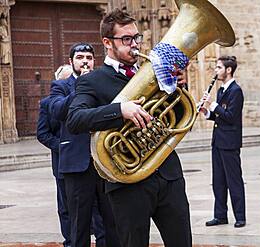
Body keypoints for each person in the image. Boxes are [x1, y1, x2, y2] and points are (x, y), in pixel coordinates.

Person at [66, 9, 192, 247]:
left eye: (137, 38)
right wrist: (119, 111)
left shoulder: (154, 71)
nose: (134, 45)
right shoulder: (91, 80)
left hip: (168, 175)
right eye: (126, 39)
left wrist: (176, 89)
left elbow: (177, 117)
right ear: (107, 42)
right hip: (127, 183)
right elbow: (75, 119)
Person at [49, 42, 119, 247]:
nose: (85, 61)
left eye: (89, 58)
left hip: (105, 161)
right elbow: (57, 111)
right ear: (71, 62)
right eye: (80, 58)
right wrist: (81, 88)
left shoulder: (101, 82)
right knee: (79, 224)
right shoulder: (60, 86)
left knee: (110, 222)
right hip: (77, 165)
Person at [198, 56, 246, 228]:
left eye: (219, 67)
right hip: (218, 141)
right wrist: (206, 111)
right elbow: (220, 117)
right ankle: (220, 215)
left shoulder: (236, 91)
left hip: (230, 142)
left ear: (228, 70)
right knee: (218, 180)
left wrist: (213, 105)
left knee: (234, 180)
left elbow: (231, 117)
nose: (216, 71)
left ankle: (240, 216)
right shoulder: (221, 91)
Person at [37, 96, 70, 246]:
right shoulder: (47, 103)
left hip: (88, 164)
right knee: (65, 210)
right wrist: (63, 147)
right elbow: (43, 133)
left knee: (97, 211)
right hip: (62, 164)